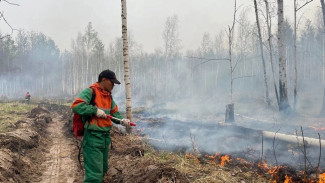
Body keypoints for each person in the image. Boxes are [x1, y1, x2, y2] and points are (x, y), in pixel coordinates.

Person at [71, 69, 131, 183]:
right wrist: (94, 111)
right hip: (93, 138)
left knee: (103, 170)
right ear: (104, 80)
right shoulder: (90, 92)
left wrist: (122, 120)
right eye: (111, 82)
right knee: (94, 176)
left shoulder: (108, 96)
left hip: (105, 138)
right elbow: (76, 106)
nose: (113, 85)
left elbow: (114, 113)